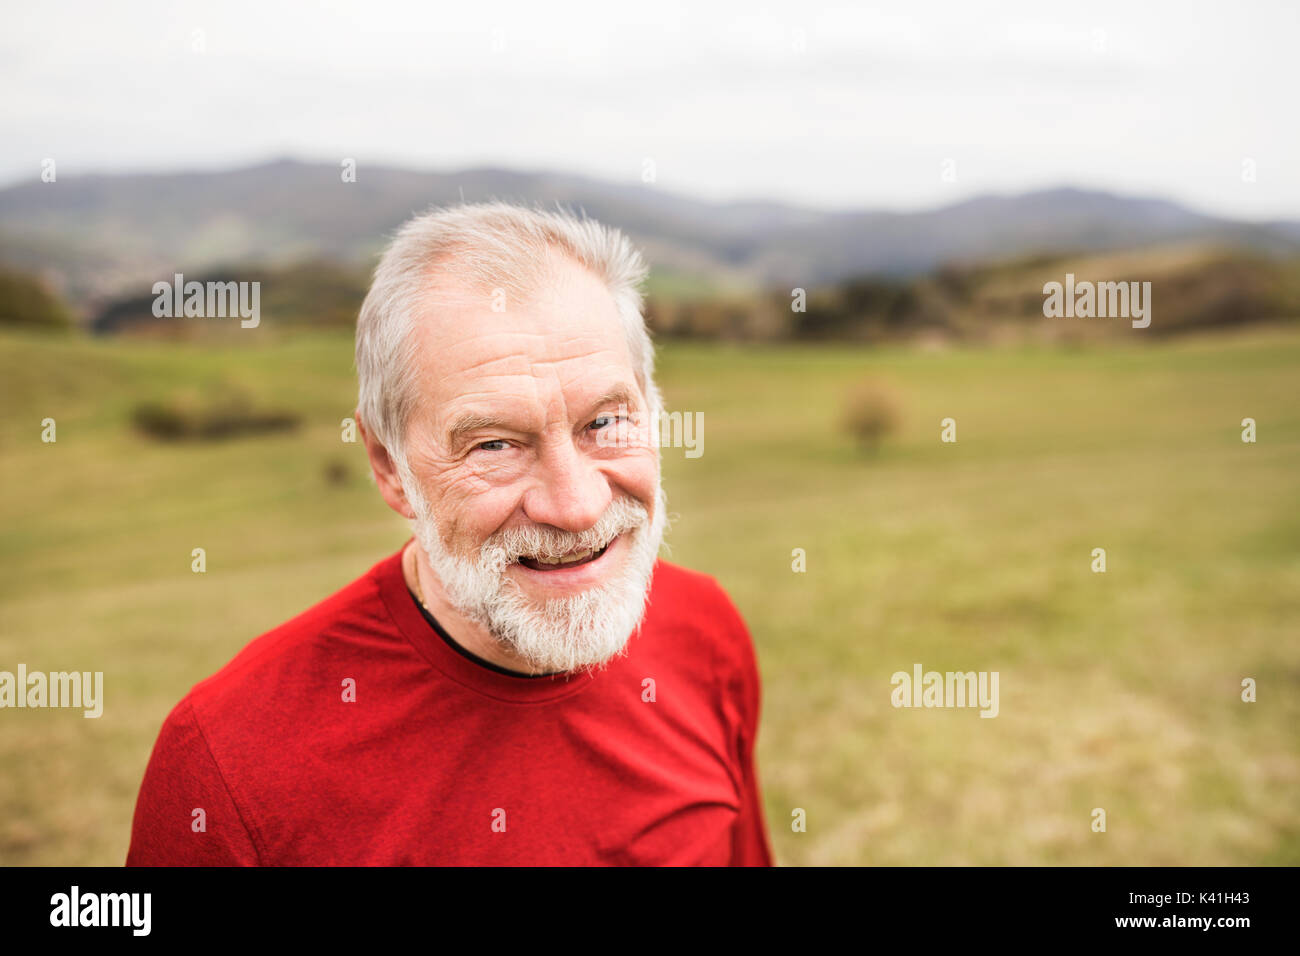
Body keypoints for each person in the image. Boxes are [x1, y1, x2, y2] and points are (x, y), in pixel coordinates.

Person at [126, 202, 774, 865]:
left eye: (605, 424)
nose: (576, 507)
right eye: (495, 444)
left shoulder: (706, 636)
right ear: (389, 467)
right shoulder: (227, 767)